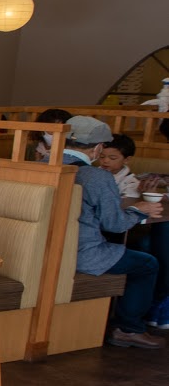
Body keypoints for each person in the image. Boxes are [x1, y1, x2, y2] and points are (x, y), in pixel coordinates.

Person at [61, 116, 165, 348]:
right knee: (148, 264)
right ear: (98, 148)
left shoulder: (40, 164)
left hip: (45, 248)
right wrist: (140, 210)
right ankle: (129, 328)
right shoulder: (97, 176)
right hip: (82, 254)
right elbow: (114, 225)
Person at [97, 133, 140, 199]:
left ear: (127, 159)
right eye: (102, 156)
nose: (105, 161)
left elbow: (126, 204)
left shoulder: (132, 182)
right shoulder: (93, 174)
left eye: (112, 158)